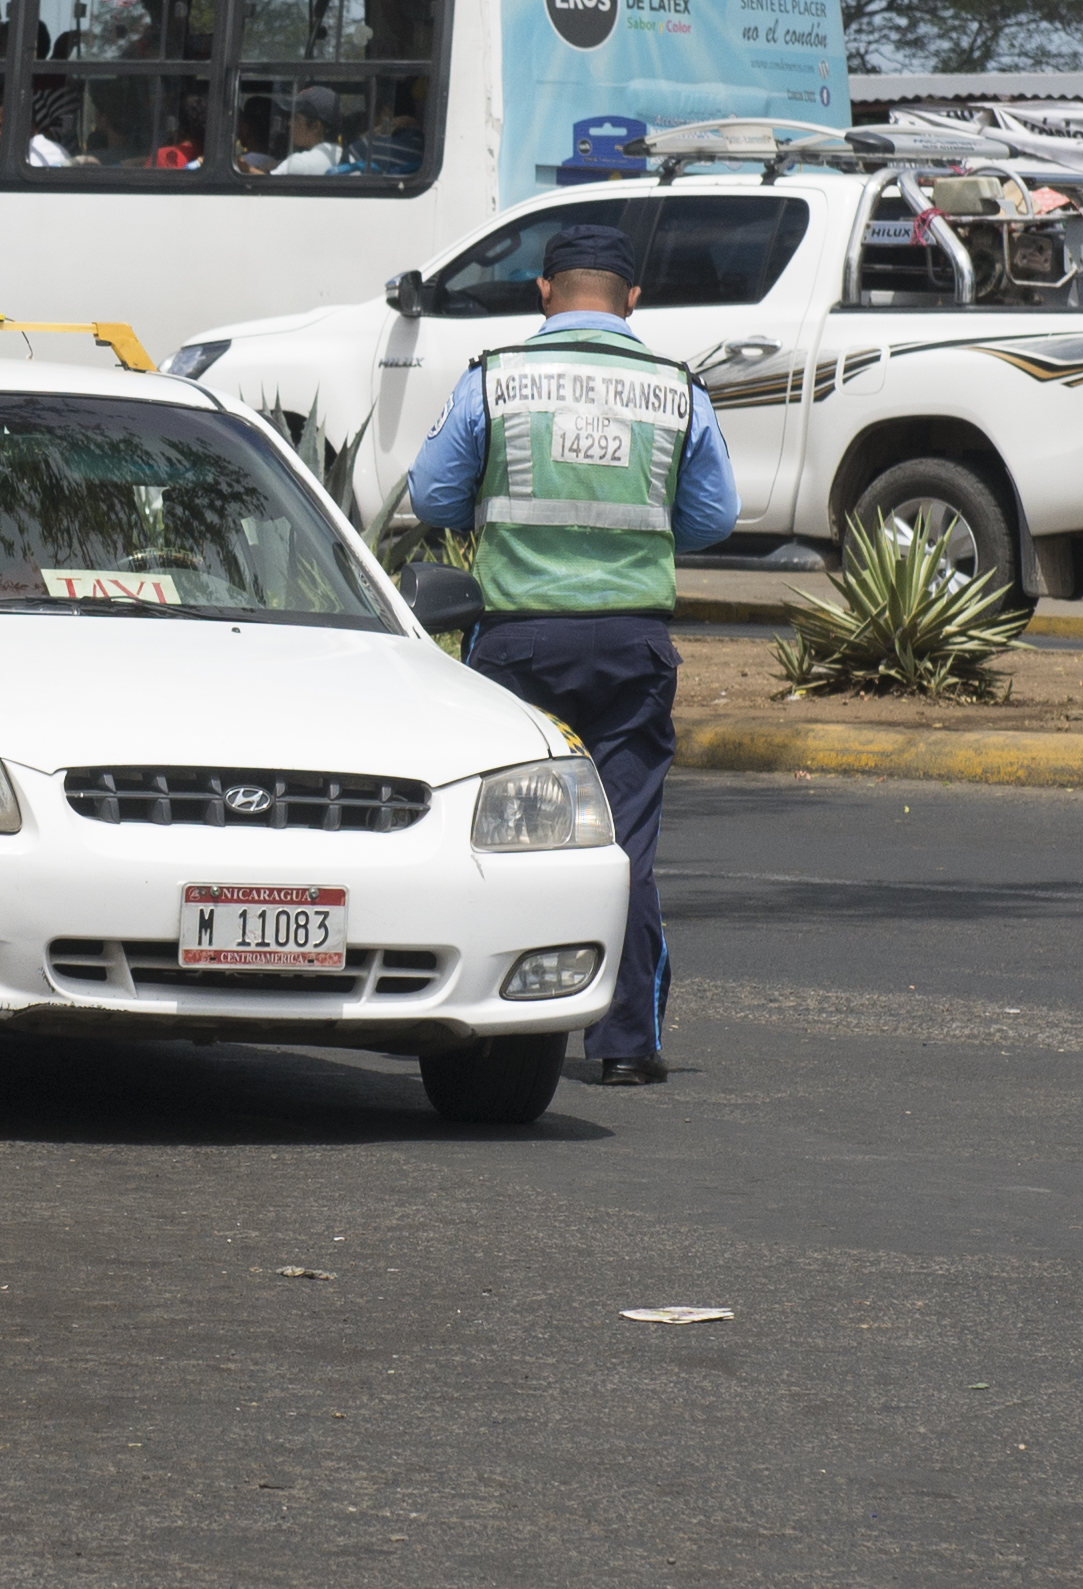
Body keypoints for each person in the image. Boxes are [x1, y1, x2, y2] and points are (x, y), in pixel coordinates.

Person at [405, 224, 738, 1087]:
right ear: (633, 300)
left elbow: (434, 493)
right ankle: (626, 1043)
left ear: (545, 291)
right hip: (632, 644)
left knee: (506, 830)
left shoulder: (497, 378)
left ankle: (491, 1023)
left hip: (518, 646)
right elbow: (712, 518)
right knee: (623, 842)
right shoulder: (678, 391)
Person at [271, 86, 341, 175]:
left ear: (316, 126)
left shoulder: (298, 164)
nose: (289, 123)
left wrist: (248, 168)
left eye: (296, 118)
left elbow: (264, 187)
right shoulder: (345, 157)